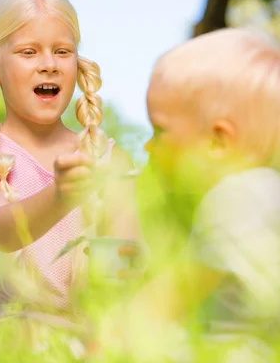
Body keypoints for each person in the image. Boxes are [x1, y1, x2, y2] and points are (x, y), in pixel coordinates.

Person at [0, 0, 142, 334]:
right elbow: (1, 231)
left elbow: (126, 265)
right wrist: (62, 195)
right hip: (1, 331)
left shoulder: (109, 161)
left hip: (83, 335)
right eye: (28, 52)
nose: (48, 65)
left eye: (63, 51)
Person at [105, 28, 280, 362]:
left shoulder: (240, 196)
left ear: (218, 141)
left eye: (159, 130)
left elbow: (167, 301)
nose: (147, 145)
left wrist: (109, 336)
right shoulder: (264, 192)